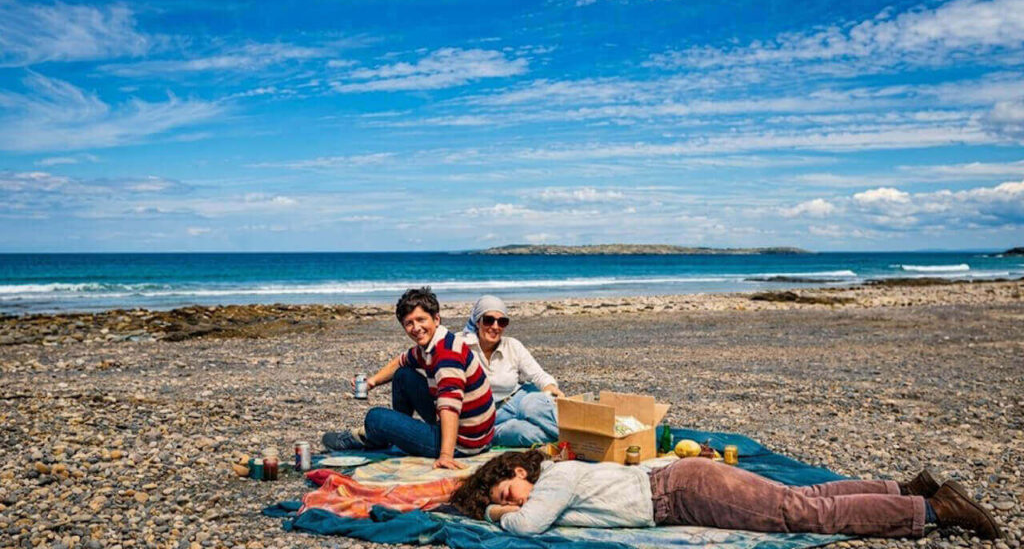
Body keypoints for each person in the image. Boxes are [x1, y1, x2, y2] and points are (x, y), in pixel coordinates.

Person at [451, 450, 1003, 540]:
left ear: (522, 469)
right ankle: (904, 489)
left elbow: (529, 526)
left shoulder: (555, 477)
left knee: (801, 513)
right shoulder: (565, 474)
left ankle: (934, 509)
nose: (516, 499)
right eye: (508, 497)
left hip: (682, 493)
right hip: (682, 480)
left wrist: (497, 512)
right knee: (804, 494)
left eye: (509, 488)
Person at [322, 287, 495, 469]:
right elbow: (402, 360)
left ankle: (376, 437)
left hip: (464, 443)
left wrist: (446, 456)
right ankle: (398, 434)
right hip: (472, 431)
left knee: (375, 418)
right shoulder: (437, 341)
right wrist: (373, 381)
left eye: (421, 320)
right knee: (403, 375)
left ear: (436, 319)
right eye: (409, 323)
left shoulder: (446, 356)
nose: (416, 328)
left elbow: (450, 407)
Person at [461, 295, 564, 447]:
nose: (495, 327)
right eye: (489, 320)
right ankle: (574, 442)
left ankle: (585, 439)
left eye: (502, 322)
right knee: (519, 431)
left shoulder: (512, 345)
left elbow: (538, 375)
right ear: (477, 322)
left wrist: (550, 387)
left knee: (533, 404)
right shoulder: (460, 347)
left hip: (518, 399)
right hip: (488, 417)